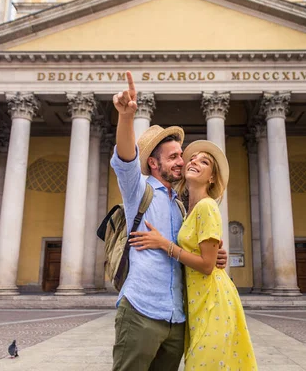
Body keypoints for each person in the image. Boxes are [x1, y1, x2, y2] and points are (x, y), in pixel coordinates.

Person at [110, 71, 227, 371]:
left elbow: (195, 255)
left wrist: (212, 256)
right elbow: (125, 159)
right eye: (174, 156)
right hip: (141, 311)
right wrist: (126, 117)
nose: (182, 161)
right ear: (153, 162)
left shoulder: (182, 207)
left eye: (181, 156)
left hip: (177, 318)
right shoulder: (140, 191)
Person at [129, 140, 258, 370]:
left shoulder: (207, 207)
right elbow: (205, 256)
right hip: (196, 303)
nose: (195, 162)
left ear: (211, 178)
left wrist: (164, 244)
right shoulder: (186, 210)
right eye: (194, 158)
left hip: (212, 301)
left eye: (204, 161)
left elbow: (207, 266)